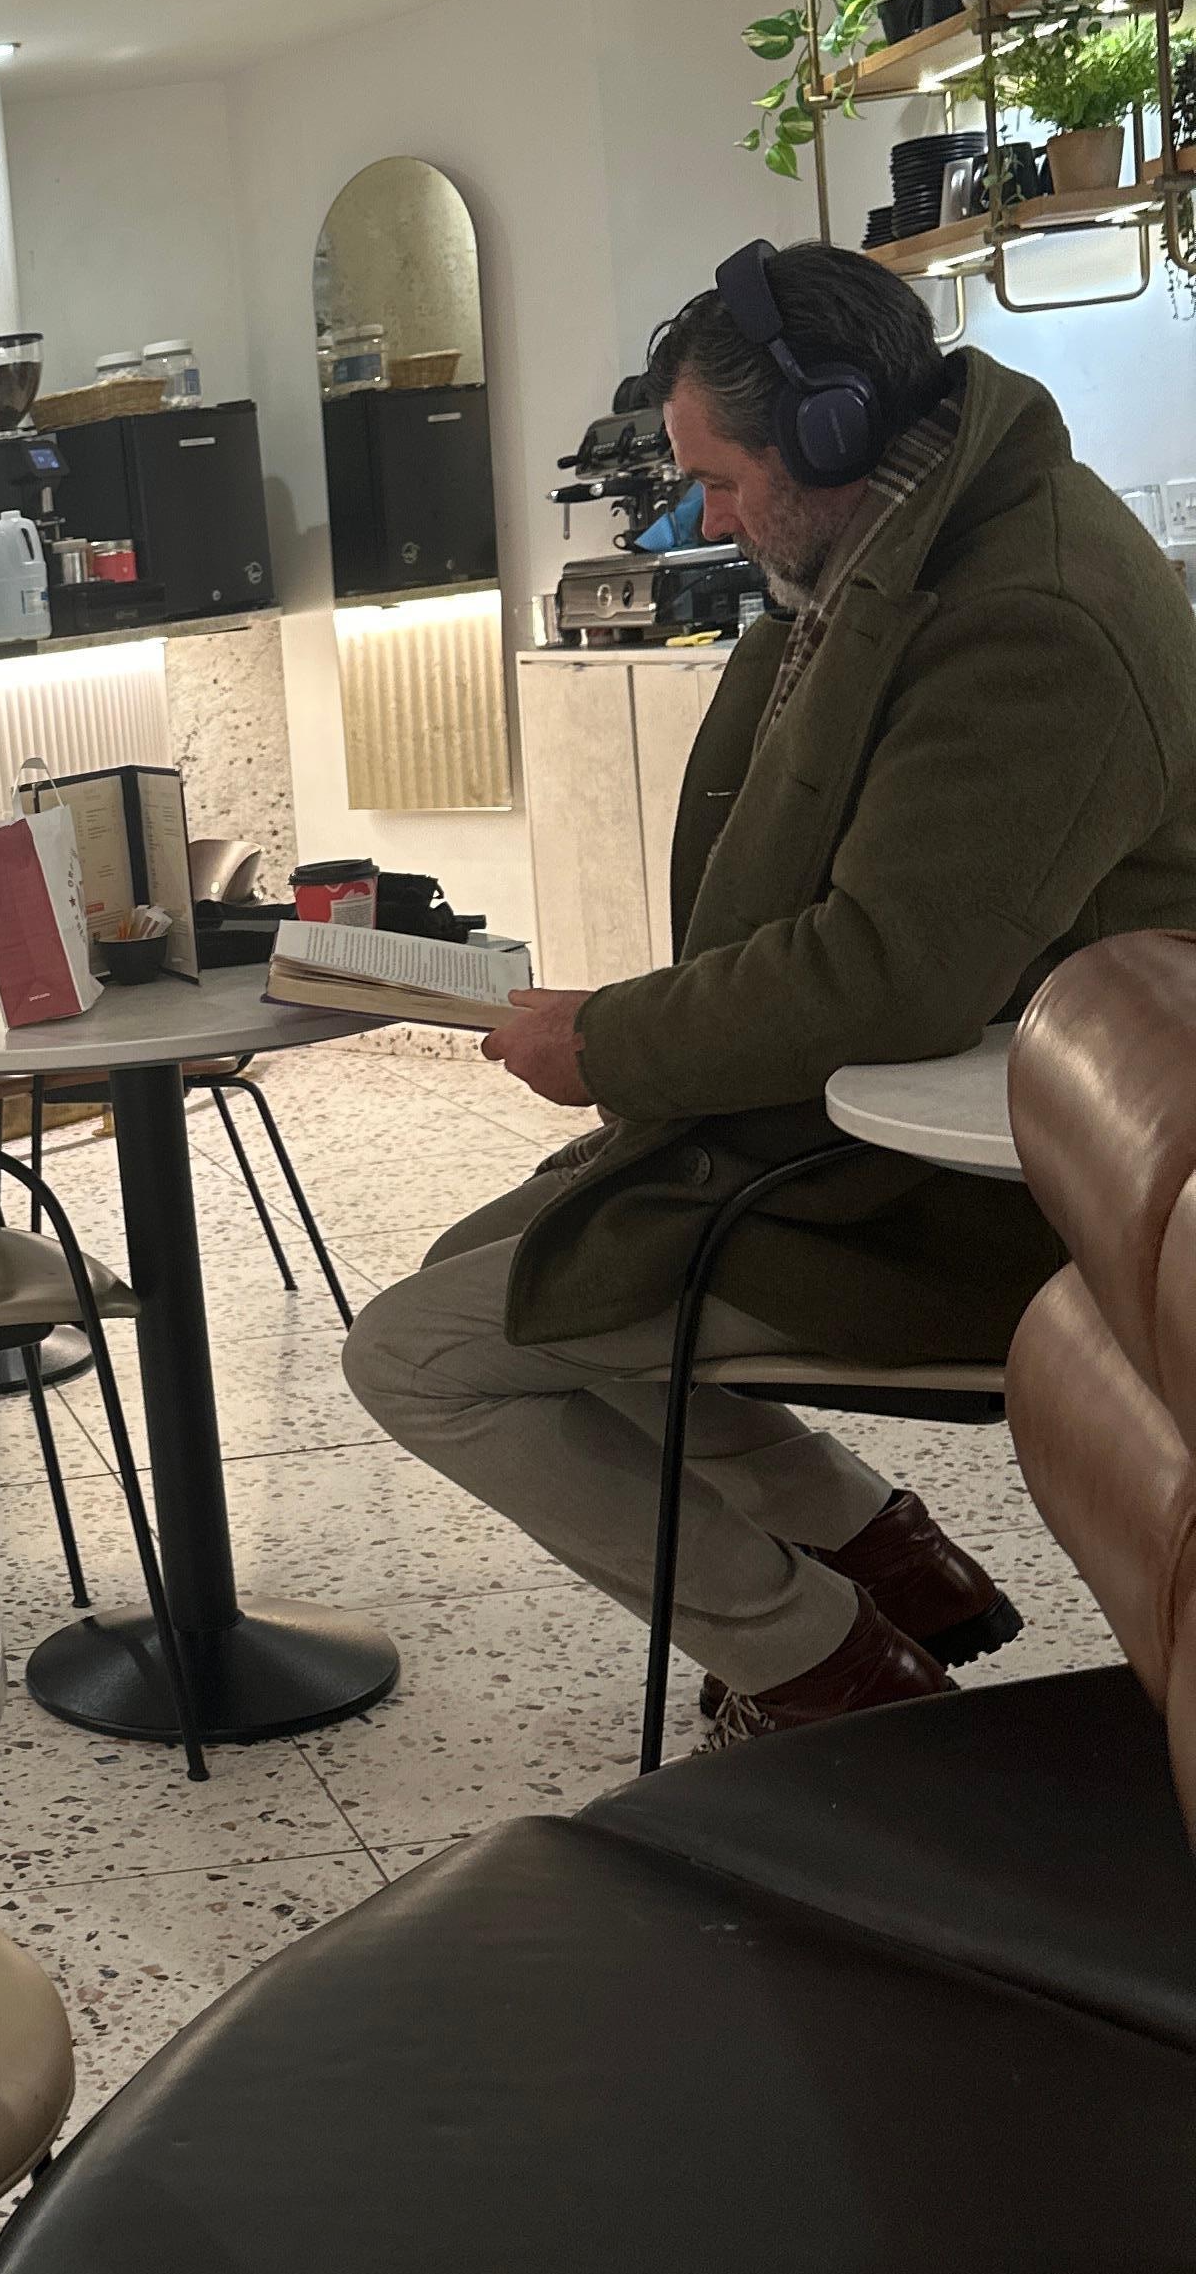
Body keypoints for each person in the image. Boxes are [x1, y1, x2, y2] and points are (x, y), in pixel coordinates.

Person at [345, 237, 1196, 1746]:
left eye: (721, 480)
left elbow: (887, 973)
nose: (706, 517)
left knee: (421, 1357)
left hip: (986, 1190)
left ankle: (819, 1666)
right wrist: (633, 1030)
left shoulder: (1028, 624)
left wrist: (614, 1044)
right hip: (899, 1122)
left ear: (831, 434)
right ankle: (883, 1558)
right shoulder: (931, 543)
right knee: (508, 1267)